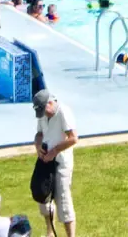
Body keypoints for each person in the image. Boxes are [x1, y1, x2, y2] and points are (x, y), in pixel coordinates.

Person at [32, 90, 78, 237]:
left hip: (61, 163)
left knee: (63, 201)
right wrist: (38, 147)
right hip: (45, 162)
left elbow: (73, 138)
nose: (43, 114)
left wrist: (54, 151)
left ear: (50, 103)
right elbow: (39, 134)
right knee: (42, 196)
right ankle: (49, 231)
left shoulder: (64, 112)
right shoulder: (43, 115)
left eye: (44, 110)